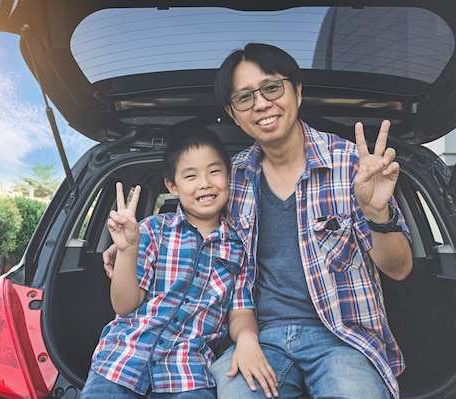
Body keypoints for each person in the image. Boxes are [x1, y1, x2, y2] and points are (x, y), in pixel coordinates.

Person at [105, 43, 413, 399]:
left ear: (297, 91)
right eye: (245, 97)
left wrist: (377, 213)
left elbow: (400, 268)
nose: (262, 104)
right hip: (257, 338)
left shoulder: (352, 165)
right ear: (233, 114)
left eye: (271, 88)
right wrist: (129, 250)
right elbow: (186, 236)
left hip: (343, 339)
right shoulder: (230, 179)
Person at [81, 130, 277, 399]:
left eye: (214, 171)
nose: (205, 183)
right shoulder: (152, 230)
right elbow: (124, 305)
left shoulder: (240, 246)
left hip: (189, 371)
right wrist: (127, 251)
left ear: (229, 176)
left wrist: (247, 340)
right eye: (190, 176)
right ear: (172, 187)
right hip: (123, 359)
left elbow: (240, 310)